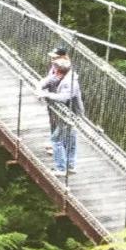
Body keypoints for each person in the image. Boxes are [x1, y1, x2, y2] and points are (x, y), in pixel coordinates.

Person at [37, 46, 85, 177]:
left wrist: (47, 95)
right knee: (70, 139)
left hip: (71, 115)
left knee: (56, 139)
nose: (54, 73)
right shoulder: (62, 74)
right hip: (64, 114)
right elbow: (49, 80)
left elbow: (64, 97)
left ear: (61, 72)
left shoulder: (70, 82)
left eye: (56, 71)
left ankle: (61, 168)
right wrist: (41, 87)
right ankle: (70, 166)